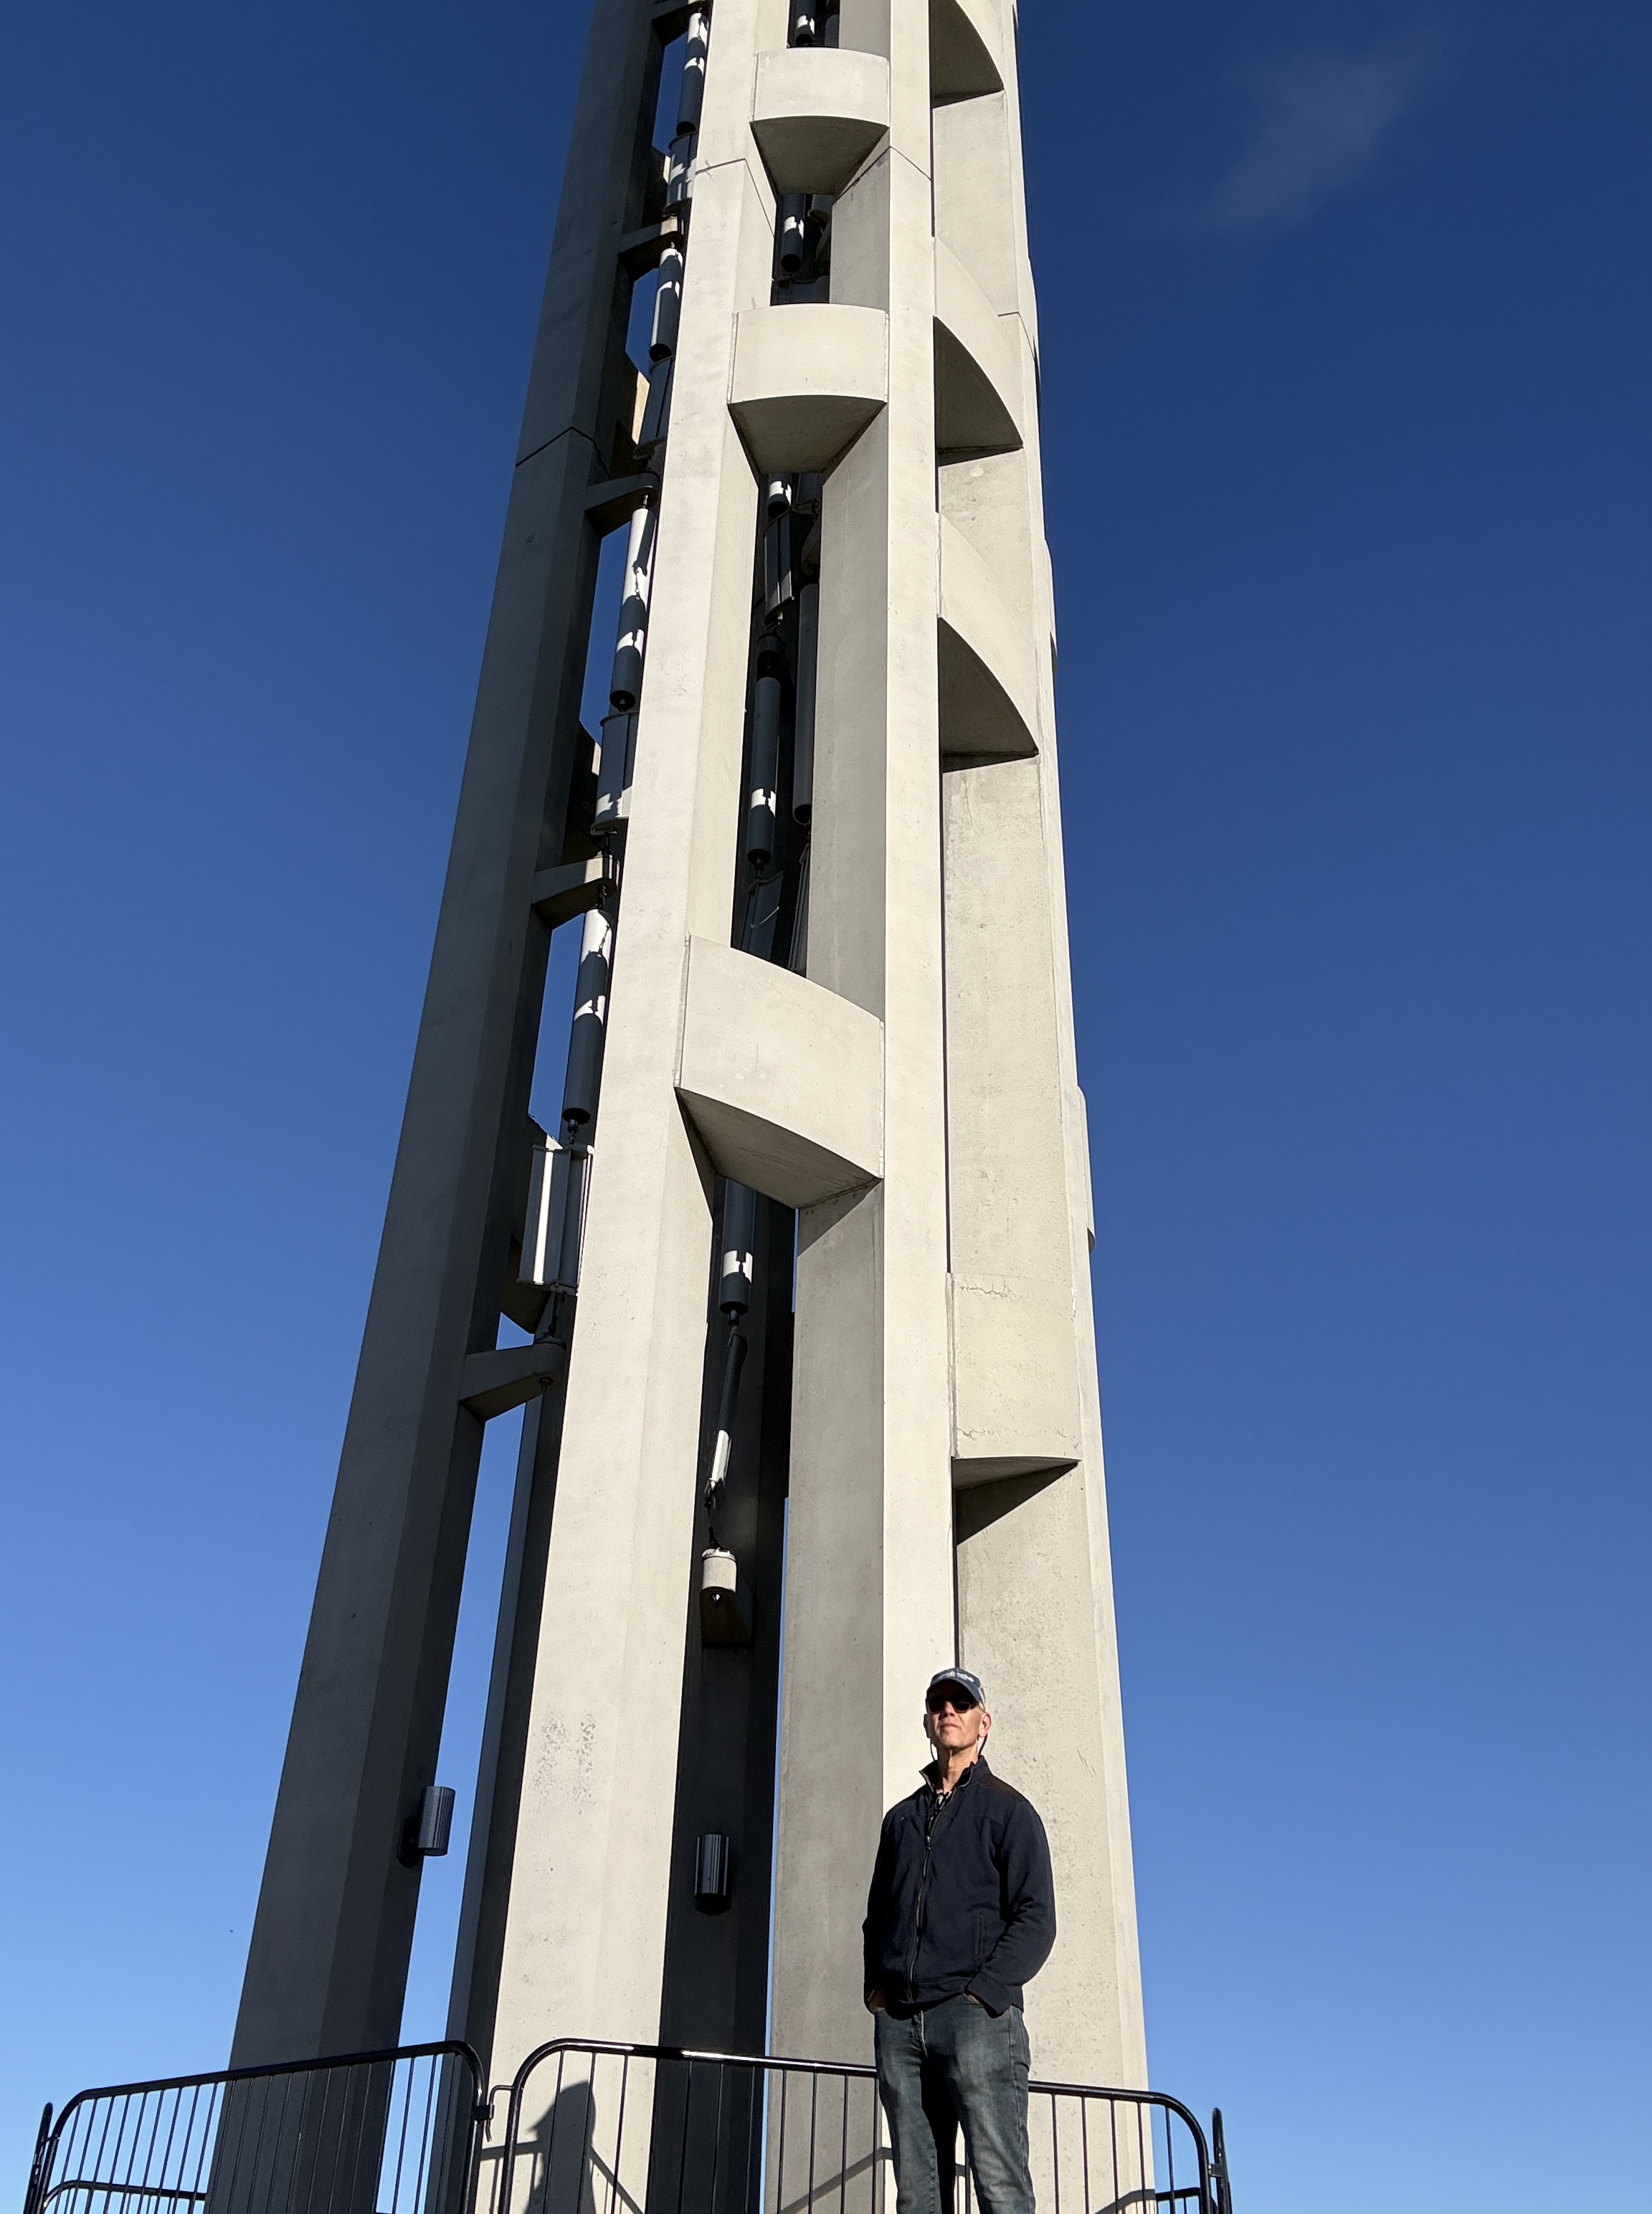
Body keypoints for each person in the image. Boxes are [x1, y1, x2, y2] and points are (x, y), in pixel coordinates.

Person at [862, 1668, 1055, 2214]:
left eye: (961, 1703)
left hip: (976, 2021)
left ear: (983, 1723)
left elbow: (1037, 1918)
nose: (948, 1710)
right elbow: (877, 1916)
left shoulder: (1009, 1812)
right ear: (928, 1721)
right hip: (902, 2024)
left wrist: (983, 1993)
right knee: (917, 2197)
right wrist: (877, 1990)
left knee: (999, 2188)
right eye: (938, 1703)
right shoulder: (900, 1821)